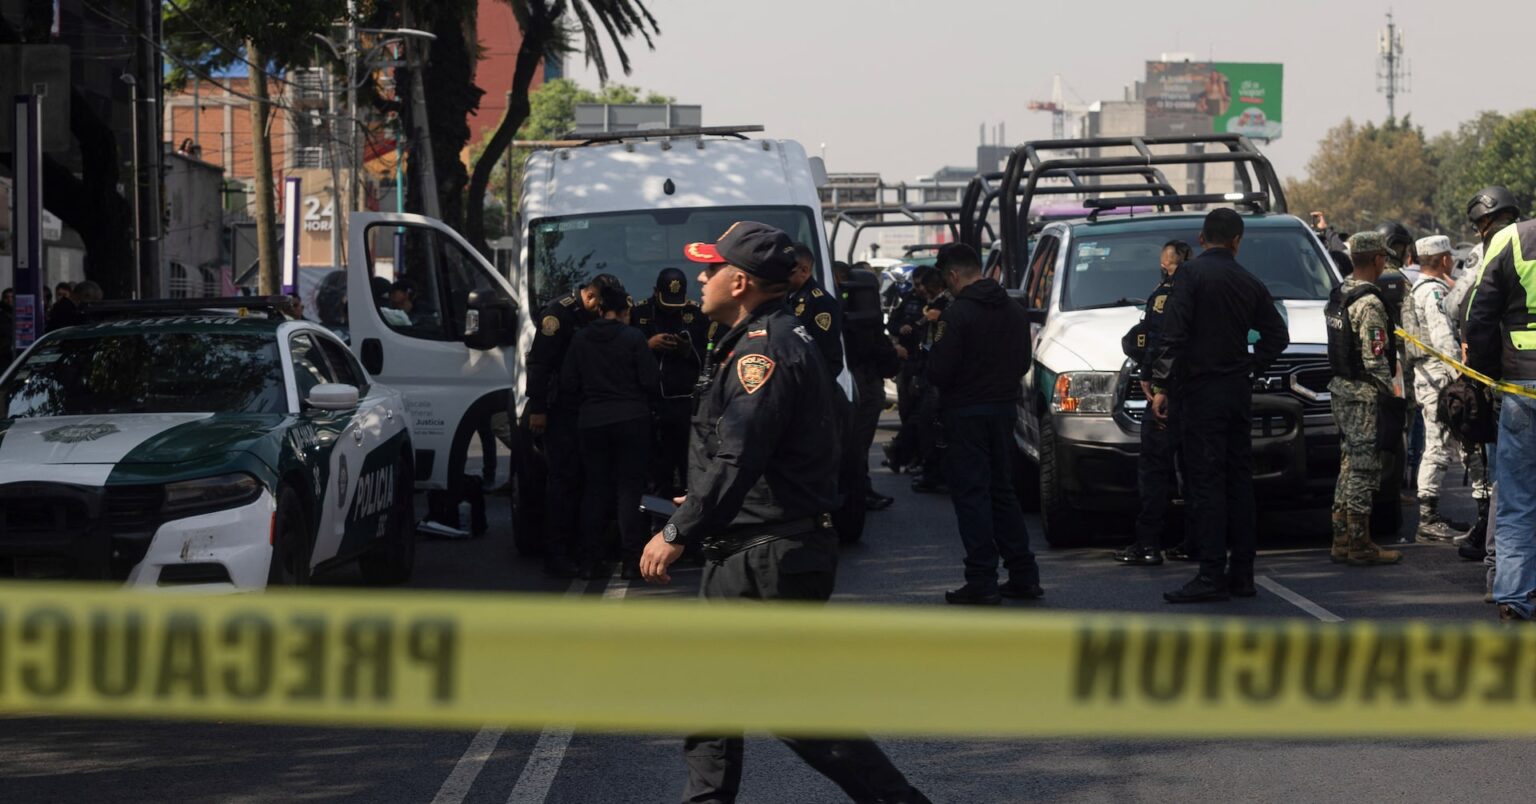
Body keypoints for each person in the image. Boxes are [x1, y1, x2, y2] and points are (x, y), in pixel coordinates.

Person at [639, 221, 929, 804]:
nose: (700, 276)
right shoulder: (768, 338)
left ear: (740, 281)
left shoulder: (763, 352)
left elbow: (742, 450)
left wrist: (678, 528)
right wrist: (703, 502)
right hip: (758, 547)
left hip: (766, 558)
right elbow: (765, 453)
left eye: (711, 268)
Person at [1149, 208, 1290, 603]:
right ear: (1237, 241)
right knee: (1239, 483)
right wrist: (1251, 364)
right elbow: (1277, 334)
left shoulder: (1189, 277)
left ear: (1201, 238)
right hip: (1236, 392)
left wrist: (1161, 385)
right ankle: (1241, 573)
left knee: (1206, 483)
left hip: (1199, 393)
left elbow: (1173, 335)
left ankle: (1210, 574)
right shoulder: (1249, 280)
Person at [925, 243, 1042, 605]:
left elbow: (939, 371)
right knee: (1002, 491)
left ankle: (982, 578)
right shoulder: (1013, 308)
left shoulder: (956, 314)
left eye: (946, 280)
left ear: (954, 275)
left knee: (972, 495)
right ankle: (1023, 574)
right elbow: (1024, 362)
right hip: (1003, 409)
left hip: (965, 414)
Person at [525, 273, 624, 577]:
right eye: (601, 307)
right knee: (563, 481)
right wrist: (538, 408)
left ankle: (584, 551)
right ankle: (556, 554)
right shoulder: (558, 314)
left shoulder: (585, 313)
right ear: (592, 297)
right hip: (559, 409)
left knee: (586, 481)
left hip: (585, 408)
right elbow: (540, 363)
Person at [561, 285, 659, 580]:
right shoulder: (633, 337)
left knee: (595, 491)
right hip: (632, 419)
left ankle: (591, 560)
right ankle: (631, 561)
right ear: (625, 312)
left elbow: (568, 383)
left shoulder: (580, 339)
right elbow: (651, 379)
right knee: (629, 491)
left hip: (592, 422)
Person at [1465, 215, 1536, 622]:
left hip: (1520, 387)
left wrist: (1488, 375)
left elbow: (1479, 316)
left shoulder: (1509, 238)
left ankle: (1512, 595)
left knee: (1517, 497)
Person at [1325, 232, 1406, 567]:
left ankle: (1342, 536)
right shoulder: (1370, 303)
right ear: (1376, 260)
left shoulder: (1341, 291)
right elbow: (1375, 357)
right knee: (1364, 469)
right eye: (1383, 258)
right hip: (1364, 396)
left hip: (1342, 389)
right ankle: (1359, 543)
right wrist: (1390, 394)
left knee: (1348, 464)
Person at [1115, 240, 1193, 565]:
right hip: (1200, 395)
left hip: (1168, 394)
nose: (1162, 268)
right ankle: (1196, 541)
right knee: (1196, 472)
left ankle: (1148, 544)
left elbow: (1158, 341)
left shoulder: (1166, 296)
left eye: (1167, 264)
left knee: (1154, 471)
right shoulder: (1207, 291)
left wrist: (1152, 378)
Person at [1406, 235, 1485, 541]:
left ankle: (1434, 515)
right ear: (1443, 260)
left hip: (1428, 378)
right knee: (1442, 446)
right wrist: (1461, 378)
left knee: (1449, 445)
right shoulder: (1434, 293)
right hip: (1441, 380)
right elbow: (1443, 341)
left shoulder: (1418, 289)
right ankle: (1428, 519)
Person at [632, 267, 710, 497]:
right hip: (652, 404)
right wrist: (648, 345)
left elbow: (707, 355)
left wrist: (687, 349)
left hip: (687, 405)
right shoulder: (639, 313)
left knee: (691, 469)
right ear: (656, 292)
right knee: (657, 473)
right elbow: (623, 355)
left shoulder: (696, 313)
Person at [835, 260, 900, 512]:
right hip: (862, 380)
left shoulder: (853, 310)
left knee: (858, 443)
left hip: (864, 379)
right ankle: (857, 491)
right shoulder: (848, 312)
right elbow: (872, 345)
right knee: (857, 443)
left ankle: (861, 489)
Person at [785, 243, 844, 377]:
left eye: (788, 272)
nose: (781, 276)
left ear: (804, 271)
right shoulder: (789, 296)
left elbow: (827, 355)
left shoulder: (820, 302)